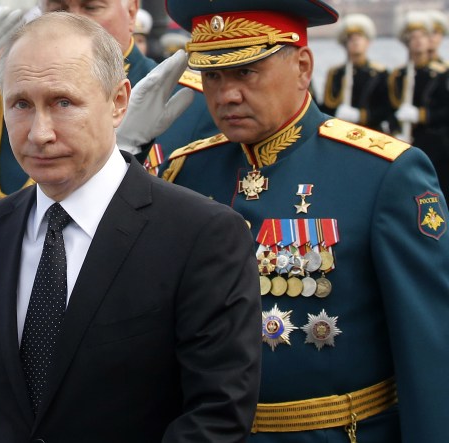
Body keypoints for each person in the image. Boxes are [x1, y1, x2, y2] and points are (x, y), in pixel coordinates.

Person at [0, 12, 261, 442]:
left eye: (63, 103)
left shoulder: (200, 234)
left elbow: (215, 416)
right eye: (21, 105)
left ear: (118, 103)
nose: (40, 133)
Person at [138, 0, 449, 440]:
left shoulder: (383, 174)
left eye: (246, 72)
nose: (226, 94)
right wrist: (122, 153)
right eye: (213, 76)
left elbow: (430, 352)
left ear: (303, 67)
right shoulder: (185, 170)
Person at [0, 0, 214, 205]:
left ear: (131, 9)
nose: (76, 18)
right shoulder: (18, 107)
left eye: (93, 6)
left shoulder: (187, 102)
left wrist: (123, 153)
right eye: (59, 6)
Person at [389, 11, 449, 198]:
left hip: (437, 143)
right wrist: (395, 131)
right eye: (413, 37)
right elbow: (391, 109)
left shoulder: (441, 73)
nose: (418, 41)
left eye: (423, 36)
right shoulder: (398, 75)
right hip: (408, 142)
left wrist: (421, 115)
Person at [319, 13, 390, 132]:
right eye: (351, 39)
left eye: (359, 38)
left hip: (371, 132)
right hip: (342, 131)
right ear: (344, 44)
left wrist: (360, 115)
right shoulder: (336, 73)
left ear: (368, 42)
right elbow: (327, 106)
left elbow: (385, 109)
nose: (355, 42)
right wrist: (336, 114)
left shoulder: (380, 73)